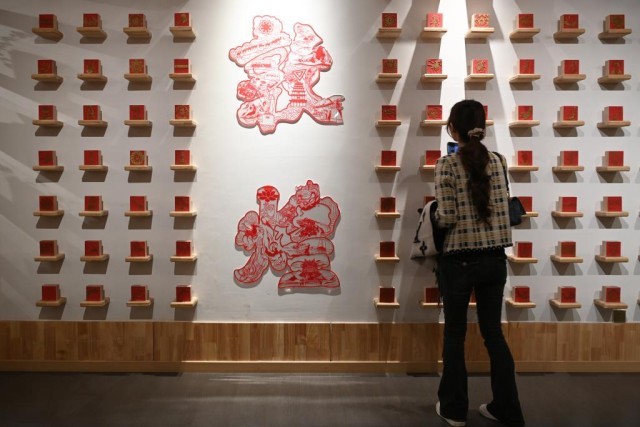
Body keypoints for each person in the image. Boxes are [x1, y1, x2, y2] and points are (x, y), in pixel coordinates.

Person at [433, 100, 525, 427]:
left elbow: (447, 217)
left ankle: (454, 409)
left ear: (453, 128)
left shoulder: (446, 165)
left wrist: (432, 216)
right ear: (481, 127)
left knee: (455, 335)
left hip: (459, 260)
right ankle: (507, 408)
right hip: (495, 259)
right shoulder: (498, 161)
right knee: (493, 334)